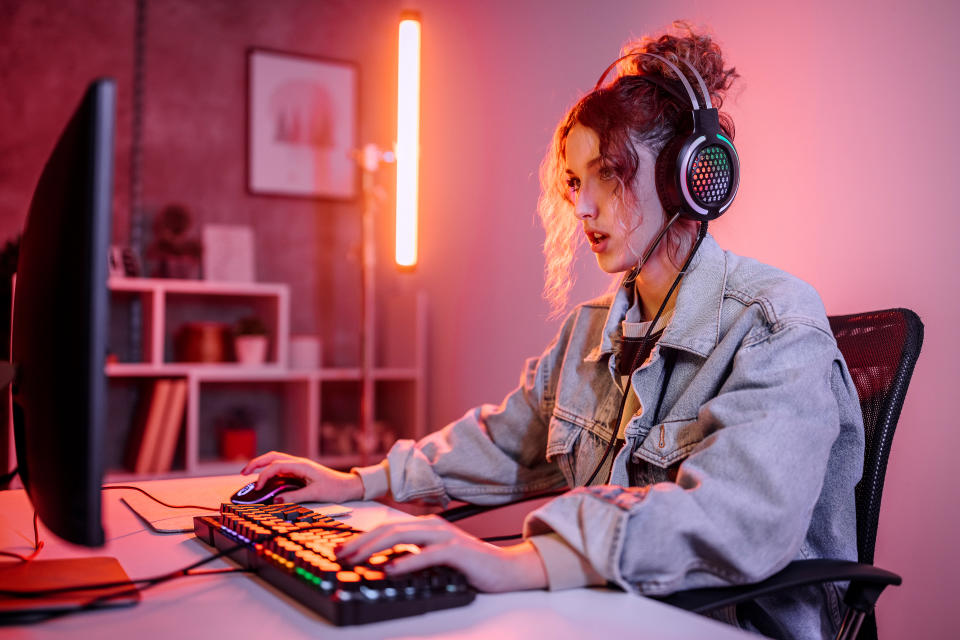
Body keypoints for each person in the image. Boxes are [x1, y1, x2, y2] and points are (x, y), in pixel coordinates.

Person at [242, 23, 864, 640]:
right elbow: (506, 441)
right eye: (574, 181)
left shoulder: (776, 324)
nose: (583, 206)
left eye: (608, 173)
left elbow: (741, 519)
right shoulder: (592, 329)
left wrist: (522, 563)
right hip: (606, 618)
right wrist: (358, 483)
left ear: (688, 177)